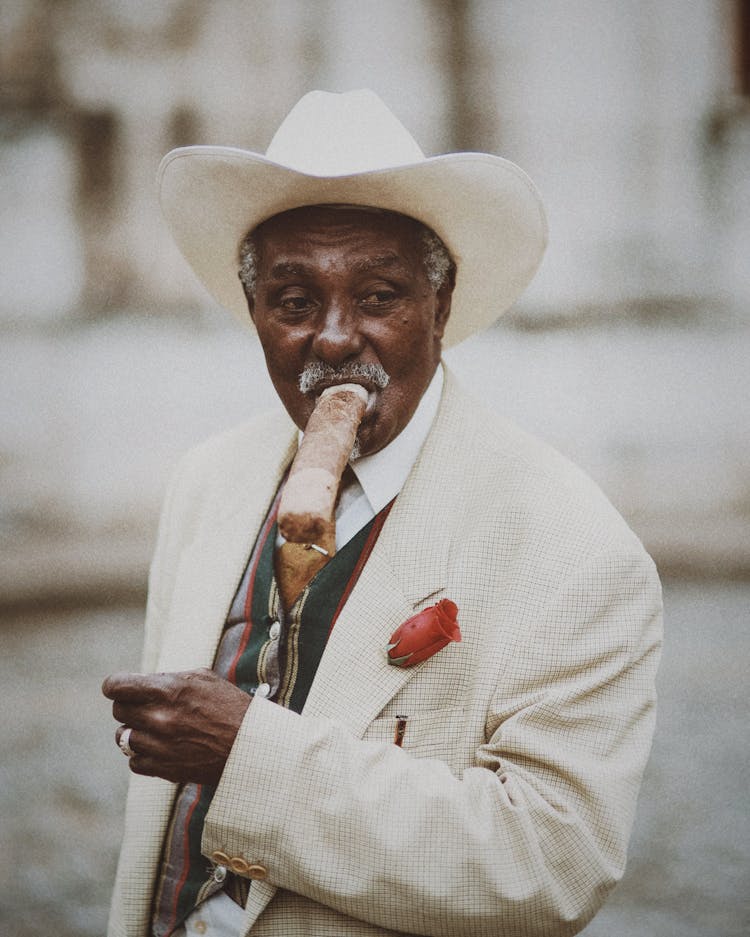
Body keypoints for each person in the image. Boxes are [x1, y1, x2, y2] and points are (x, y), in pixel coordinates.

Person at [103, 90, 662, 937]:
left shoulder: (573, 545)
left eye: (378, 297)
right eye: (294, 302)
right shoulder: (206, 481)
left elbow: (553, 863)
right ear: (254, 318)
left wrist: (245, 753)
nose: (332, 338)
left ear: (441, 310)